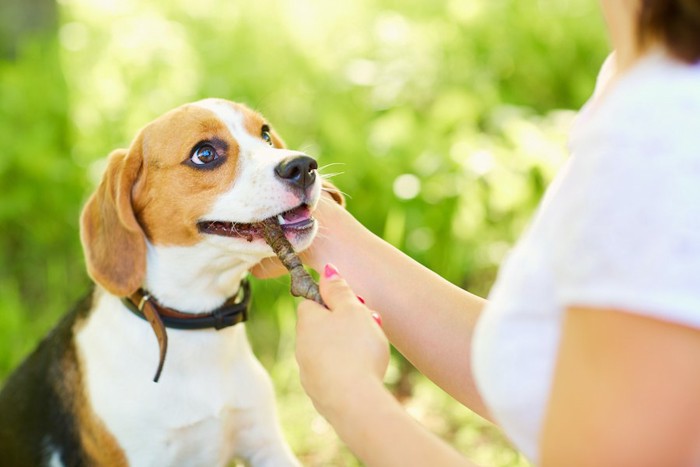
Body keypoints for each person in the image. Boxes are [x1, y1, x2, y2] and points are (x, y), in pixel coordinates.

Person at [254, 1, 700, 465]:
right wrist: (320, 228)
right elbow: (553, 372)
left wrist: (349, 396)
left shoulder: (664, 132)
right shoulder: (647, 71)